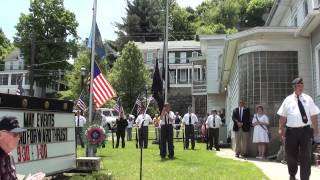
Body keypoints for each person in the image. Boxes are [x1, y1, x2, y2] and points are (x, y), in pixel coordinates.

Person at [277, 77, 320, 180]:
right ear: (294, 87)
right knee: (291, 155)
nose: (301, 87)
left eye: (302, 85)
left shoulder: (308, 99)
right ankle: (292, 175)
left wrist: (316, 129)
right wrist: (280, 129)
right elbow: (282, 116)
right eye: (298, 86)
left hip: (305, 130)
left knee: (306, 155)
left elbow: (313, 115)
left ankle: (305, 177)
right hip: (291, 131)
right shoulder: (287, 100)